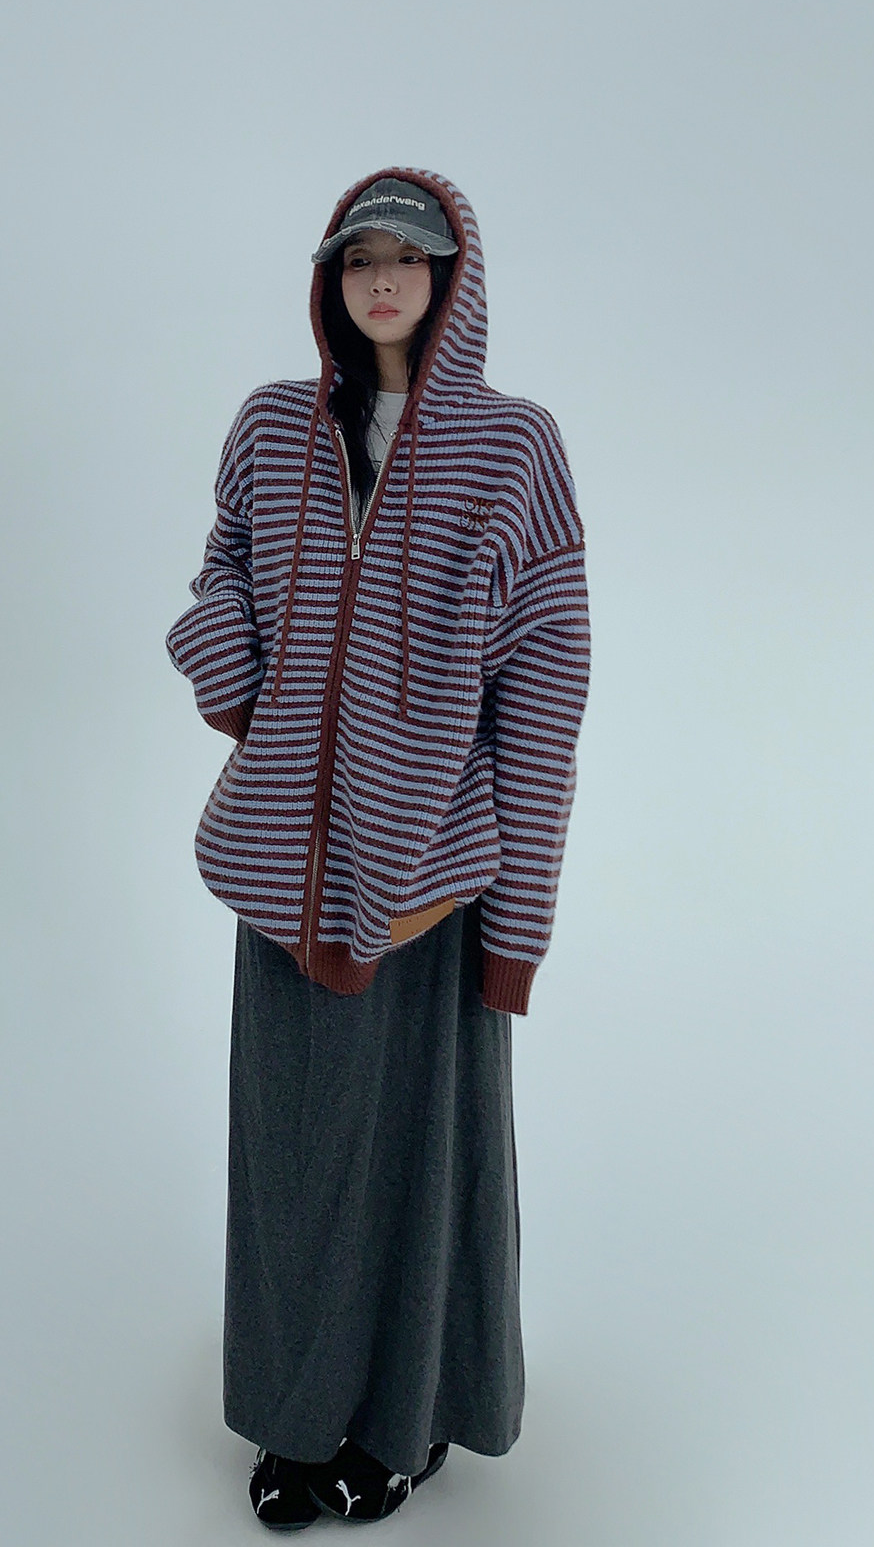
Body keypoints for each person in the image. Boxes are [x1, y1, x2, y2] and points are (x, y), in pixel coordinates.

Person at [165, 170, 591, 1530]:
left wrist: (519, 929)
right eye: (359, 259)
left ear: (455, 279)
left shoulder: (514, 450)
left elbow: (545, 694)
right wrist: (229, 668)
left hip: (427, 884)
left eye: (411, 256)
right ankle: (294, 1423)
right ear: (331, 282)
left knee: (418, 1166)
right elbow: (224, 569)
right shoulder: (271, 425)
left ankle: (406, 1426)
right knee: (291, 1164)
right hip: (282, 869)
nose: (384, 279)